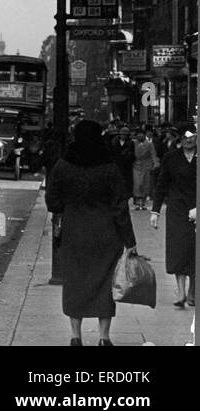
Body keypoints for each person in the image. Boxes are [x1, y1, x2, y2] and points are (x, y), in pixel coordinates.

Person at [45, 119, 137, 346]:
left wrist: (67, 206)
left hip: (74, 233)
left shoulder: (63, 166)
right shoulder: (109, 168)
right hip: (106, 234)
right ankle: (104, 337)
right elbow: (120, 207)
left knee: (74, 282)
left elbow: (52, 201)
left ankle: (76, 336)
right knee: (105, 284)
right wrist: (130, 240)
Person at [151, 127, 197, 309]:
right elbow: (162, 184)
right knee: (179, 249)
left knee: (195, 249)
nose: (188, 140)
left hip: (197, 206)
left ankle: (193, 291)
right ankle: (181, 291)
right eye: (185, 137)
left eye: (192, 136)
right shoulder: (171, 158)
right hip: (177, 209)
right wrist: (155, 211)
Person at [131, 130, 156, 210]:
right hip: (136, 165)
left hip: (146, 166)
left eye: (141, 134)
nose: (140, 136)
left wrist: (155, 164)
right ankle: (138, 203)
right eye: (138, 134)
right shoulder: (133, 143)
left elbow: (153, 154)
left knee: (145, 184)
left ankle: (143, 202)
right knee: (137, 184)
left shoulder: (149, 144)